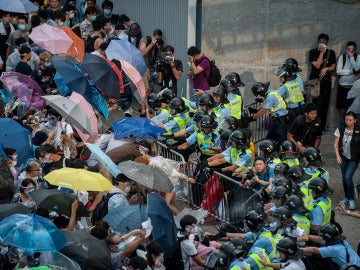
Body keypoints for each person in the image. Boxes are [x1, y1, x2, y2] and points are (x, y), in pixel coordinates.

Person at [309, 33, 337, 131]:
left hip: (326, 82)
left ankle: (321, 127)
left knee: (324, 105)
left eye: (324, 42)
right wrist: (321, 53)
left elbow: (333, 66)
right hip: (314, 83)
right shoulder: (313, 52)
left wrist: (326, 69)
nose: (322, 44)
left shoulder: (331, 52)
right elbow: (317, 65)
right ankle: (313, 125)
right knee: (314, 105)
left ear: (327, 43)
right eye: (321, 42)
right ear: (318, 42)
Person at [334, 111, 360, 210]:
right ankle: (346, 197)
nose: (348, 122)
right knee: (344, 178)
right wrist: (338, 156)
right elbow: (336, 144)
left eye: (350, 120)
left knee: (348, 177)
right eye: (346, 119)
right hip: (343, 157)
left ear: (355, 120)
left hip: (354, 158)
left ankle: (351, 199)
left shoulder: (358, 129)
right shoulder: (340, 128)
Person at [250, 81, 289, 146]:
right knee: (269, 139)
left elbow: (263, 111)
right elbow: (265, 104)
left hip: (281, 120)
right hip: (277, 119)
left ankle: (281, 154)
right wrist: (255, 110)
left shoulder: (270, 97)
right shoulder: (271, 93)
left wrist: (252, 118)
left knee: (281, 141)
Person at [336, 41, 360, 120]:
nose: (350, 51)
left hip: (353, 87)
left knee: (352, 108)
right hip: (342, 86)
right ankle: (344, 124)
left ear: (355, 50)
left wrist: (352, 58)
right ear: (346, 49)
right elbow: (338, 71)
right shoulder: (342, 57)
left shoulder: (358, 57)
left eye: (352, 49)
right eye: (348, 49)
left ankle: (351, 126)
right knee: (342, 108)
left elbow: (357, 69)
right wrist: (351, 72)